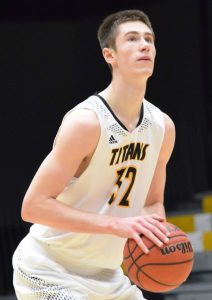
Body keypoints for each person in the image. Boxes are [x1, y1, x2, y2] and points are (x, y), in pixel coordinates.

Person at [12, 9, 176, 300]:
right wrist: (116, 225)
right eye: (132, 39)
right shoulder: (86, 122)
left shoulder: (162, 127)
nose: (144, 45)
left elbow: (153, 205)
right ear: (109, 55)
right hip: (49, 270)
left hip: (109, 276)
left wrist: (155, 237)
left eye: (149, 39)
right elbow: (33, 206)